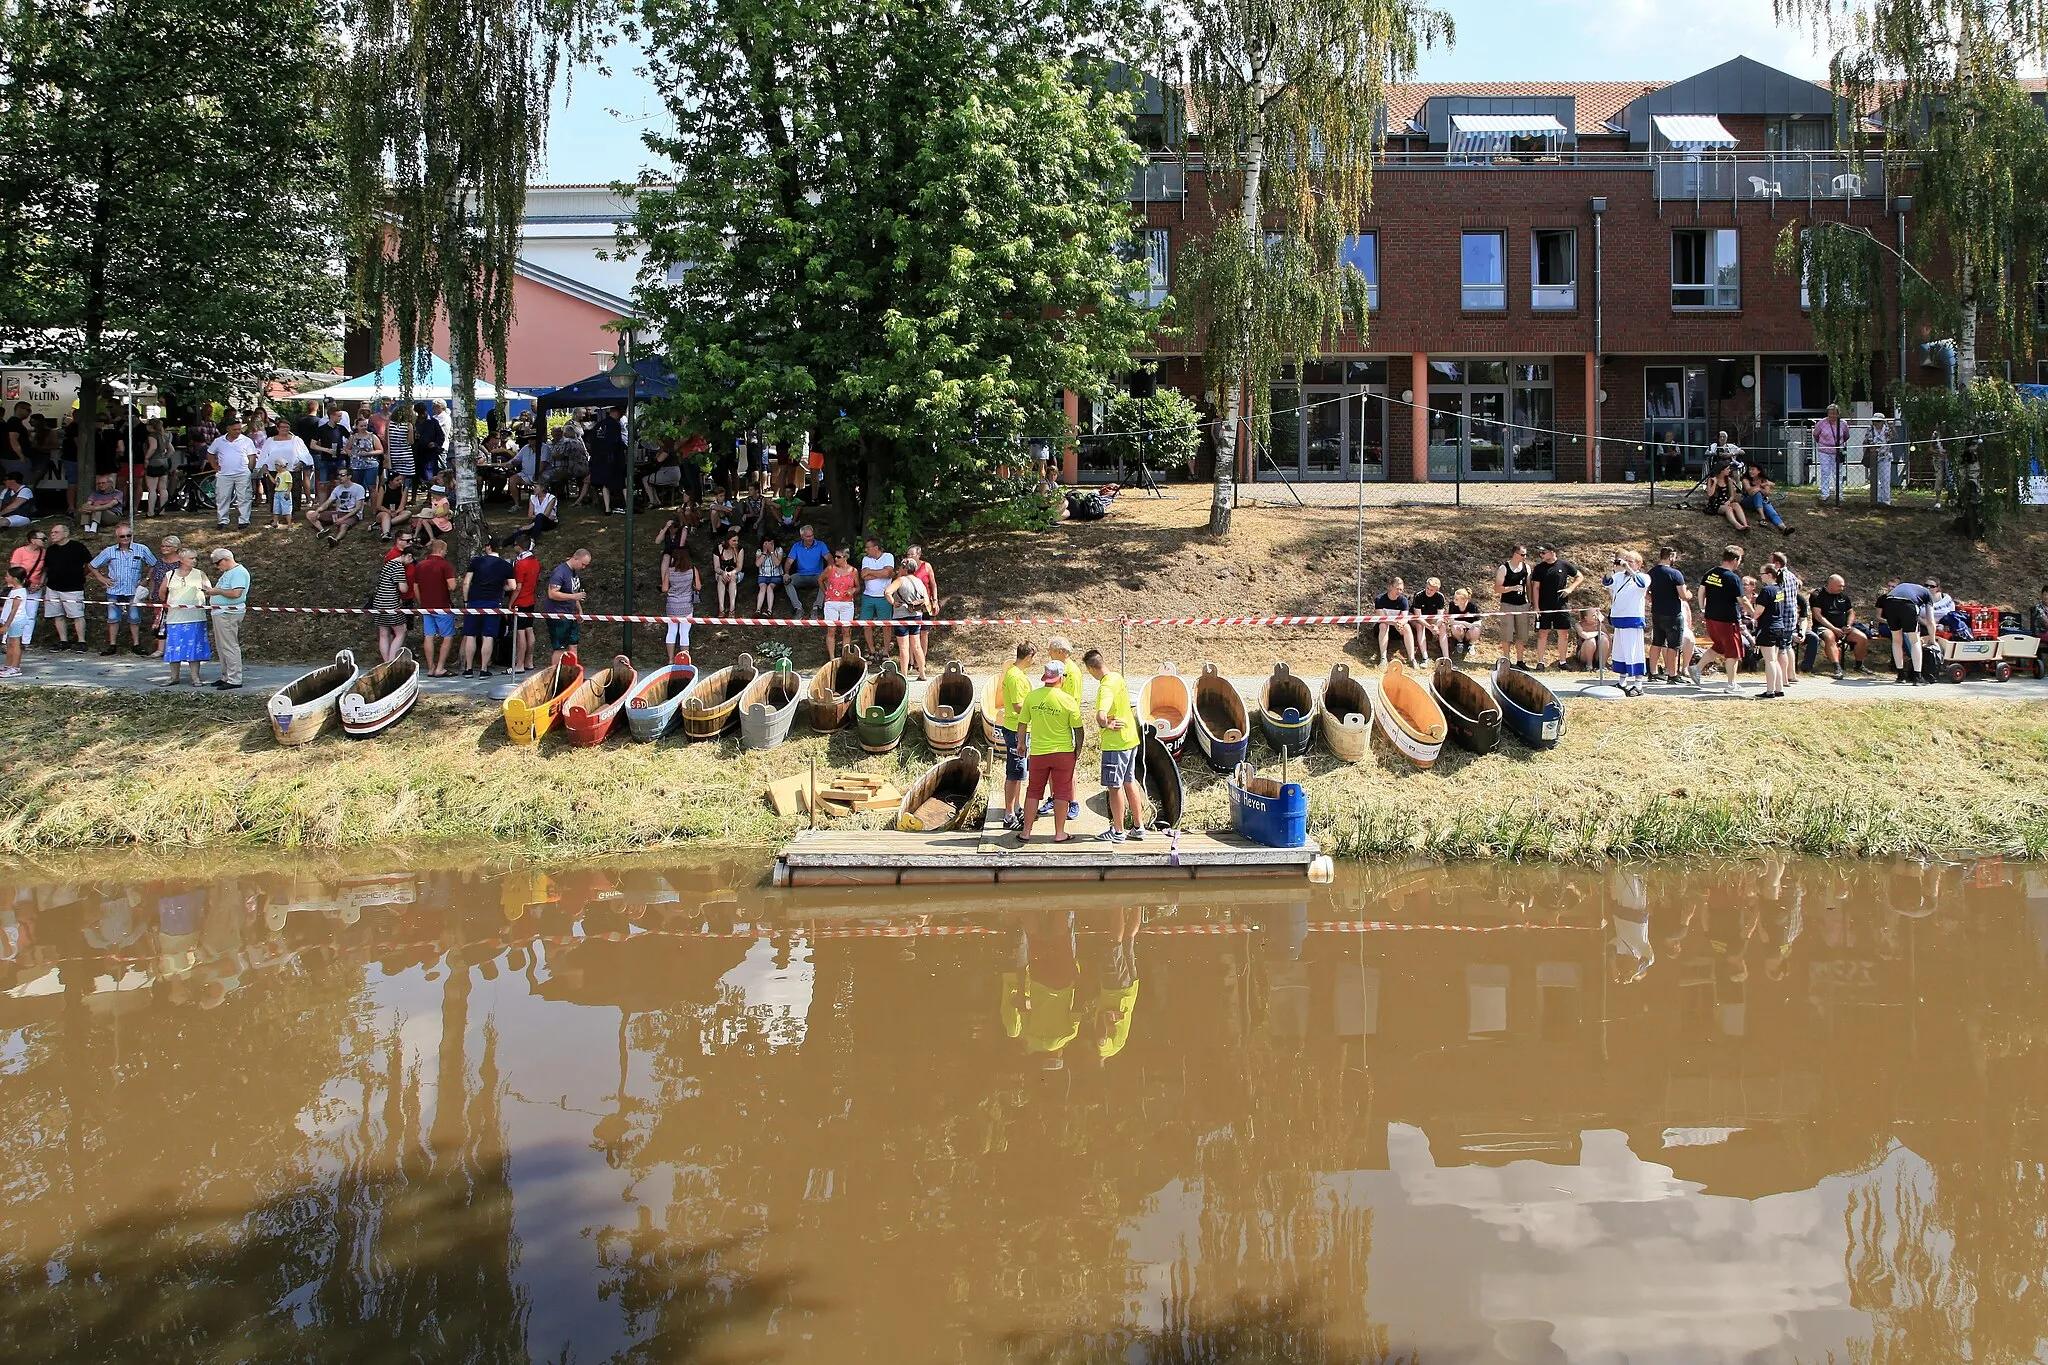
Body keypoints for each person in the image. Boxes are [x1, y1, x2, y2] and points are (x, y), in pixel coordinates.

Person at [1015, 658, 1083, 845]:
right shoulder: (1068, 701)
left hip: (1038, 753)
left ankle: (1026, 832)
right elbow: (1078, 729)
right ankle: (1060, 833)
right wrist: (1077, 750)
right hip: (1063, 753)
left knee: (1033, 791)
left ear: (1046, 677)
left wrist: (1021, 743)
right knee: (1062, 793)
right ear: (1061, 678)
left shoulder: (1032, 697)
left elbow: (1022, 723)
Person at [1083, 649, 1146, 843]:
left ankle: (1118, 831)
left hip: (1115, 743)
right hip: (1130, 738)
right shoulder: (1117, 677)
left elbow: (1101, 715)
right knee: (1129, 781)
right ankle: (1138, 826)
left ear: (1091, 668)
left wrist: (1106, 723)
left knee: (1114, 786)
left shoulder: (1105, 687)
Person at [89, 523, 155, 655]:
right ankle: (112, 645)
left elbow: (153, 564)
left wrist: (146, 580)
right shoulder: (109, 551)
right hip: (114, 590)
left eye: (128, 535)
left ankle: (136, 644)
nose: (125, 538)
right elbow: (92, 565)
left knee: (134, 618)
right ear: (117, 537)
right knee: (113, 618)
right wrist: (101, 579)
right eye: (122, 536)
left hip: (133, 590)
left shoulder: (141, 549)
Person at [993, 642, 1035, 830]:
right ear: (1028, 657)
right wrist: (1036, 709)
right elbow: (1019, 705)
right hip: (1016, 729)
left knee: (1019, 773)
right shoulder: (1017, 678)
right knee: (1014, 772)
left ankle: (1016, 807)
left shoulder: (1014, 673)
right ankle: (1009, 815)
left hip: (1018, 728)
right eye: (1033, 658)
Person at [459, 537, 515, 676]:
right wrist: (501, 588)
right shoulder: (506, 565)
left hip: (474, 602)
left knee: (470, 635)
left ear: (489, 547)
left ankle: (469, 669)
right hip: (493, 603)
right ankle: (484, 669)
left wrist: (466, 601)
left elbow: (466, 583)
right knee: (488, 636)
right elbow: (512, 586)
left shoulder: (476, 561)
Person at [157, 548, 212, 685]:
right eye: (191, 558)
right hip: (175, 618)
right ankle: (174, 677)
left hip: (195, 617)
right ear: (181, 560)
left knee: (194, 648)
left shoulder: (200, 574)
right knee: (174, 648)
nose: (195, 561)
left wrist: (199, 599)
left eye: (195, 558)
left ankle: (195, 678)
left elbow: (209, 590)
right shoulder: (170, 574)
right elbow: (162, 592)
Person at [1698, 545, 1747, 694]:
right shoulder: (1732, 577)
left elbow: (1701, 590)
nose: (1739, 563)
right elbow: (1742, 600)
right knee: (1732, 652)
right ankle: (1731, 685)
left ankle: (1696, 669)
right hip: (1727, 619)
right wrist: (1753, 613)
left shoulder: (1711, 573)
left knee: (1718, 646)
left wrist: (1702, 608)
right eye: (1740, 560)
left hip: (1712, 618)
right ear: (1734, 560)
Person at [409, 538, 460, 677]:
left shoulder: (420, 565)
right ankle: (440, 668)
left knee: (428, 636)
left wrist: (422, 602)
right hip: (442, 606)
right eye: (445, 551)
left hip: (426, 607)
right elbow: (452, 586)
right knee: (448, 636)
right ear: (441, 550)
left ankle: (431, 667)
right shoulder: (445, 565)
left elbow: (415, 587)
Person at [1603, 549, 1649, 696]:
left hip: (1633, 619)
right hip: (1619, 619)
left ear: (1638, 564)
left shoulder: (1643, 576)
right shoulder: (1619, 576)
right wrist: (1610, 568)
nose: (1626, 563)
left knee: (1634, 652)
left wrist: (1629, 568)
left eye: (1630, 561)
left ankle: (1638, 684)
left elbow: (1642, 585)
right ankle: (1622, 681)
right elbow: (1607, 582)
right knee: (1620, 652)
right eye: (1625, 560)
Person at [1530, 545, 1582, 671]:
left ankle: (1562, 661)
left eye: (1543, 552)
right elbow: (1535, 588)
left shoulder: (1564, 565)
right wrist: (1536, 606)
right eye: (1540, 553)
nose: (1541, 555)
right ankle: (1540, 662)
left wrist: (1570, 588)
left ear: (1552, 553)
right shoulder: (1539, 568)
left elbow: (1579, 576)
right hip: (1544, 605)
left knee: (1563, 634)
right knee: (1543, 633)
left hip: (1561, 605)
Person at [40, 522, 90, 651]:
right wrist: (42, 582)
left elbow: (89, 564)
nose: (52, 535)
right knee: (57, 615)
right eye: (52, 533)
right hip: (53, 587)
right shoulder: (51, 549)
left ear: (65, 533)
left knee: (77, 615)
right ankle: (63, 641)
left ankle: (81, 641)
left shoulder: (78, 547)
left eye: (56, 532)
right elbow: (46, 568)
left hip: (73, 587)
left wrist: (80, 576)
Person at [1808, 574, 1868, 678]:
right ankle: (1837, 668)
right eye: (1840, 586)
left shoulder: (1843, 597)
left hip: (1843, 627)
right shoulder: (1817, 595)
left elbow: (1851, 612)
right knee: (1830, 636)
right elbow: (1818, 616)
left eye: (1843, 586)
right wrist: (1834, 629)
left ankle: (1859, 665)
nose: (1842, 588)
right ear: (1831, 584)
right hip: (1824, 626)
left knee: (1862, 638)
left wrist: (1848, 625)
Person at [1646, 546, 1692, 685]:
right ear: (1671, 557)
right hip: (1673, 614)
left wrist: (1655, 600)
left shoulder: (1651, 572)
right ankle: (1672, 675)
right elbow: (1683, 595)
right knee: (1673, 645)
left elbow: (1646, 593)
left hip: (1657, 612)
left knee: (1657, 642)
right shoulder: (1675, 574)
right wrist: (1690, 594)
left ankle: (1652, 672)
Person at [1878, 578, 1936, 685]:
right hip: (1908, 605)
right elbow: (1930, 620)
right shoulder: (1927, 593)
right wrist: (1932, 640)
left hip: (1890, 603)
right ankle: (1917, 677)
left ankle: (1900, 676)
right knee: (1914, 640)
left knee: (1896, 640)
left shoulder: (1904, 586)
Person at [206, 547, 248, 689]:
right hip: (221, 612)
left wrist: (217, 591)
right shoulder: (229, 573)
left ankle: (234, 679)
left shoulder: (238, 572)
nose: (217, 567)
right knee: (222, 646)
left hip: (228, 613)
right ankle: (227, 676)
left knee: (230, 645)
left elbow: (236, 593)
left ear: (225, 560)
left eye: (217, 563)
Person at [258, 418, 312, 528]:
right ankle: (275, 516)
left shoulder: (296, 440)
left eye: (287, 427)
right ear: (277, 428)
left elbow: (305, 454)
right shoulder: (270, 441)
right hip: (274, 471)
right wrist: (263, 466)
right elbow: (263, 455)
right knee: (275, 493)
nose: (285, 429)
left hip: (292, 471)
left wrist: (301, 463)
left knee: (292, 493)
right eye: (282, 427)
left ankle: (291, 515)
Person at [1753, 563, 1796, 699]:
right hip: (1779, 626)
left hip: (1768, 627)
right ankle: (1779, 688)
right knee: (1775, 659)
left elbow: (1759, 611)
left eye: (1762, 574)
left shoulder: (1767, 591)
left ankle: (1770, 690)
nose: (1760, 577)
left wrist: (1753, 615)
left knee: (1770, 660)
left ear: (1769, 575)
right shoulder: (1780, 589)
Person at [206, 416, 256, 528]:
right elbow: (210, 453)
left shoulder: (246, 441)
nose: (238, 432)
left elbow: (252, 456)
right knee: (222, 497)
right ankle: (222, 520)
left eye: (239, 429)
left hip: (242, 472)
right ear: (228, 429)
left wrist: (249, 470)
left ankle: (244, 520)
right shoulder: (219, 441)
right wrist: (215, 466)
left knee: (244, 497)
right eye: (235, 429)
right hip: (224, 473)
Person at [545, 548, 592, 664]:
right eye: (583, 564)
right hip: (558, 614)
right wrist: (574, 597)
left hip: (571, 613)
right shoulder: (560, 572)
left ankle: (573, 673)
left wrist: (579, 610)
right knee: (560, 648)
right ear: (576, 558)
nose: (584, 567)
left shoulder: (574, 572)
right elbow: (552, 594)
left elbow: (573, 593)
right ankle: (555, 674)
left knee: (573, 644)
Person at [888, 558, 932, 679]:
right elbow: (926, 600)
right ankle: (922, 673)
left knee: (904, 647)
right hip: (917, 616)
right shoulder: (919, 581)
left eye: (901, 567)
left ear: (904, 568)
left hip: (901, 616)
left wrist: (893, 602)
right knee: (917, 646)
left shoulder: (900, 581)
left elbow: (887, 592)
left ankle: (904, 675)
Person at [369, 542, 413, 663]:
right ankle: (391, 660)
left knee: (384, 633)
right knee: (401, 631)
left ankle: (385, 661)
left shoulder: (388, 564)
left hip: (378, 602)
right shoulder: (398, 567)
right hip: (391, 603)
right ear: (408, 556)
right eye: (411, 559)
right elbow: (403, 588)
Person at [1494, 545, 1534, 668]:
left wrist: (1531, 602)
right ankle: (1507, 660)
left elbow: (1528, 586)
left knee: (1521, 634)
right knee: (1507, 634)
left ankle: (1520, 661)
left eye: (1525, 554)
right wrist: (1511, 588)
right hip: (1507, 605)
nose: (1525, 557)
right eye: (1522, 554)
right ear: (1515, 554)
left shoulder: (1526, 567)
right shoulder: (1504, 568)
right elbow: (1497, 588)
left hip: (1522, 605)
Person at [507, 535, 542, 673]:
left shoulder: (521, 564)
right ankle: (529, 661)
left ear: (519, 546)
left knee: (520, 632)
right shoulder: (535, 562)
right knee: (529, 629)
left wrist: (511, 602)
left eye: (515, 545)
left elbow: (518, 586)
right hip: (530, 600)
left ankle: (519, 664)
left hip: (520, 600)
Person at [307, 466, 367, 545]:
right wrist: (317, 511)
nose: (340, 477)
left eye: (342, 475)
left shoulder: (359, 488)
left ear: (349, 476)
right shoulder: (338, 488)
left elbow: (358, 508)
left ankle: (336, 540)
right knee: (309, 514)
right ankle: (322, 530)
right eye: (338, 475)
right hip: (339, 512)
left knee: (344, 525)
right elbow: (327, 503)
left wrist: (343, 518)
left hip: (353, 514)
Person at [7, 528, 45, 649]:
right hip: (19, 587)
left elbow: (45, 570)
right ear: (33, 540)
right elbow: (15, 571)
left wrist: (41, 583)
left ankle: (25, 641)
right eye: (43, 539)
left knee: (30, 614)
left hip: (36, 587)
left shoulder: (44, 552)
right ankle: (7, 639)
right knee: (13, 612)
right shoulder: (20, 552)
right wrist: (28, 584)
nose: (45, 540)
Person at [858, 536, 895, 657]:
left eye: (868, 548)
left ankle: (885, 651)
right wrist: (881, 573)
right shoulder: (866, 559)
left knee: (886, 625)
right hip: (868, 596)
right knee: (866, 624)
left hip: (883, 596)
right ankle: (872, 650)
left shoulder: (888, 557)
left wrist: (871, 572)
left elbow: (889, 573)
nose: (866, 550)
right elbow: (864, 575)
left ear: (876, 548)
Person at [820, 547, 858, 658]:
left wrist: (853, 590)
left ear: (845, 558)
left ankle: (845, 657)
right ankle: (832, 658)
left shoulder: (853, 571)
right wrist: (826, 592)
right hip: (831, 603)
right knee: (831, 630)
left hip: (847, 604)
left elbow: (858, 586)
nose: (835, 558)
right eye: (835, 556)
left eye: (838, 557)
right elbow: (820, 580)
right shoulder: (830, 569)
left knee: (846, 631)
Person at [784, 525, 829, 616]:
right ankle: (798, 607)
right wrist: (786, 573)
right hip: (801, 575)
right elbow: (788, 562)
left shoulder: (820, 545)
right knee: (787, 581)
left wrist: (828, 572)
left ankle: (817, 606)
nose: (811, 538)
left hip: (817, 575)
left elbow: (830, 558)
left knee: (827, 580)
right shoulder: (796, 546)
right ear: (802, 537)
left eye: (812, 535)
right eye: (808, 536)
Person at [662, 550, 700, 657]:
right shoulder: (692, 570)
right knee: (684, 633)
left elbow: (664, 589)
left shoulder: (669, 571)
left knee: (671, 632)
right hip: (686, 605)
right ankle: (684, 659)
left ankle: (670, 659)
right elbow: (698, 587)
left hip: (672, 605)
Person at [1371, 576, 1415, 665]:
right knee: (1383, 625)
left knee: (1407, 627)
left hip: (1398, 628)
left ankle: (1412, 659)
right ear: (1390, 587)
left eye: (1401, 590)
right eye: (1397, 589)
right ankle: (1383, 658)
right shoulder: (1379, 599)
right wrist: (1393, 623)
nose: (1399, 592)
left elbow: (1404, 617)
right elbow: (1381, 617)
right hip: (1383, 628)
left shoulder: (1403, 600)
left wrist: (1399, 624)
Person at [1740, 464, 1792, 534]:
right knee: (1757, 494)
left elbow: (1766, 493)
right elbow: (1750, 492)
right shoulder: (1745, 479)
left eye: (1753, 469)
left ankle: (1783, 528)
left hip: (1762, 501)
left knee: (1771, 512)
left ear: (1759, 471)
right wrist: (1761, 486)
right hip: (1748, 502)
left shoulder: (1764, 479)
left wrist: (1759, 488)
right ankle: (1762, 518)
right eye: (1749, 469)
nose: (1750, 471)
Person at [1813, 402, 1849, 500]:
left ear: (1838, 414)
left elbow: (1846, 436)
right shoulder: (1821, 423)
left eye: (1834, 413)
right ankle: (1825, 493)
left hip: (1838, 451)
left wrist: (1838, 444)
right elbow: (1816, 434)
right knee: (1825, 472)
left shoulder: (1843, 424)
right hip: (1824, 451)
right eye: (1830, 413)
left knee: (1838, 472)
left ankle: (1839, 494)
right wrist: (1823, 443)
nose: (1832, 415)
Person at [1411, 576, 1450, 664]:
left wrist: (1436, 626)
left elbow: (1441, 616)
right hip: (1418, 619)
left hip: (1432, 619)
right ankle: (1425, 657)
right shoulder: (1419, 595)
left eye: (1431, 590)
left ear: (1436, 590)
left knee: (1443, 626)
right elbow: (1418, 616)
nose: (1428, 591)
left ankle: (1446, 657)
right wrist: (1429, 627)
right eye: (1427, 588)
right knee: (1419, 626)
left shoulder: (1440, 597)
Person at [0, 563, 29, 677]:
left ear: (15, 578)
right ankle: (8, 665)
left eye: (8, 576)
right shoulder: (14, 590)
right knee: (10, 643)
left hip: (16, 621)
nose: (6, 578)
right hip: (12, 621)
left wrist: (6, 625)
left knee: (15, 643)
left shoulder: (19, 592)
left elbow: (14, 610)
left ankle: (15, 667)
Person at [142, 418, 174, 516]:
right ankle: (162, 510)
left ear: (151, 426)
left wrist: (146, 458)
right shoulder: (166, 435)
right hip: (164, 462)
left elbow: (153, 447)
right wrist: (165, 457)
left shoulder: (152, 436)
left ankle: (150, 511)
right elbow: (171, 450)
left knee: (152, 489)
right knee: (163, 488)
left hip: (153, 462)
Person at [1705, 459, 1747, 530]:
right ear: (1722, 471)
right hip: (1715, 504)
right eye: (1727, 469)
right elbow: (1710, 494)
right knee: (1728, 508)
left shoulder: (1728, 480)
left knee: (1736, 505)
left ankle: (1745, 524)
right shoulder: (1711, 479)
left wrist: (1729, 501)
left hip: (1725, 501)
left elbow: (1732, 495)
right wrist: (1715, 483)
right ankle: (1737, 525)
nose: (1729, 470)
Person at [372, 472, 411, 540]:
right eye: (397, 480)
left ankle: (383, 524)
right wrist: (389, 512)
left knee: (408, 513)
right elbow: (379, 506)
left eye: (401, 480)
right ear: (391, 481)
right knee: (386, 515)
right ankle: (386, 533)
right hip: (384, 511)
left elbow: (402, 505)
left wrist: (396, 512)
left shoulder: (403, 489)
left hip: (397, 512)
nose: (400, 482)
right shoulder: (384, 488)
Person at [712, 532, 743, 616]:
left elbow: (739, 567)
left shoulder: (739, 549)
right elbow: (716, 567)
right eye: (734, 540)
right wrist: (723, 573)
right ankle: (721, 608)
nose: (736, 542)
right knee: (721, 579)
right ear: (728, 540)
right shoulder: (718, 549)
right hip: (721, 572)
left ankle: (732, 609)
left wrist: (731, 573)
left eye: (737, 540)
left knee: (732, 578)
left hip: (735, 572)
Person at [1447, 588, 1483, 657]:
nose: (1454, 601)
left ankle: (1471, 644)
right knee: (1454, 627)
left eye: (1457, 599)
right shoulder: (1452, 604)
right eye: (1454, 598)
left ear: (1464, 600)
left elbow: (1479, 622)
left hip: (1469, 629)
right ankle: (1459, 642)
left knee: (1476, 629)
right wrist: (1464, 623)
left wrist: (1470, 626)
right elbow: (1451, 621)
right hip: (1459, 629)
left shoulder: (1472, 606)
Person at [754, 535, 783, 616]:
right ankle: (758, 610)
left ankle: (769, 610)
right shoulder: (759, 551)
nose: (768, 545)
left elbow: (777, 563)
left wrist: (772, 552)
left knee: (770, 587)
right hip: (763, 576)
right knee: (763, 588)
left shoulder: (779, 550)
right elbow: (757, 564)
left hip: (775, 576)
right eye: (766, 543)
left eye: (770, 543)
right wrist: (764, 553)